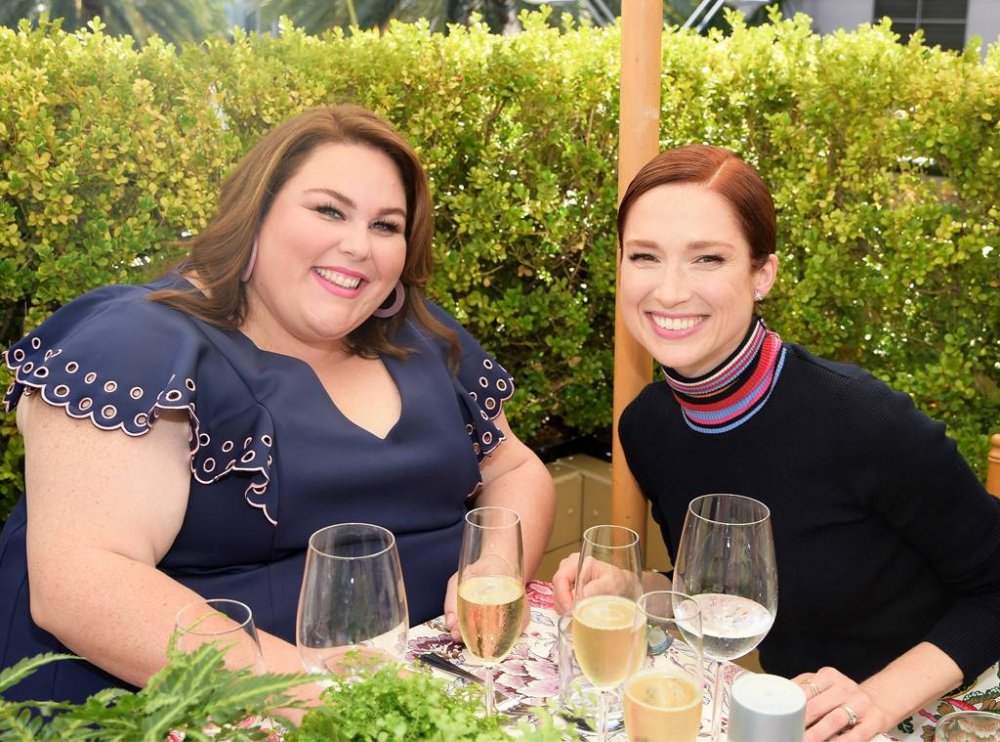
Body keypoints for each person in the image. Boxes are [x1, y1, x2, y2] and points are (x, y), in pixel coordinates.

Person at [0, 104, 555, 704]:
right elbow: (82, 585)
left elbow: (514, 468)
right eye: (328, 210)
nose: (358, 246)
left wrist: (495, 566)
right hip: (200, 709)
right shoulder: (137, 345)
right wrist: (325, 701)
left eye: (386, 225)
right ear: (256, 213)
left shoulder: (421, 336)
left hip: (439, 683)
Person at [553, 144, 1000, 741]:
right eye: (645, 256)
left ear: (762, 274)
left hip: (951, 710)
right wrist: (634, 586)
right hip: (800, 720)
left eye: (707, 258)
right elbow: (723, 585)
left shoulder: (861, 417)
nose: (669, 290)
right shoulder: (648, 427)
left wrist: (876, 698)